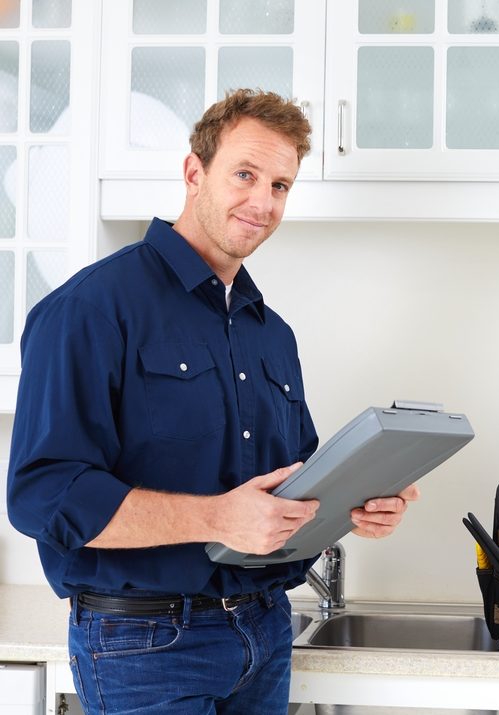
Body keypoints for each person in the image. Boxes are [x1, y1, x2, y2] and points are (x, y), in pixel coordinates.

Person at [7, 88, 419, 715]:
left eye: (281, 185)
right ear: (194, 172)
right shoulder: (90, 309)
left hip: (264, 633)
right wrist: (215, 519)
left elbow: (293, 487)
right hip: (144, 645)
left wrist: (358, 503)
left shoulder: (270, 333)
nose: (263, 201)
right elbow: (42, 493)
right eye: (246, 175)